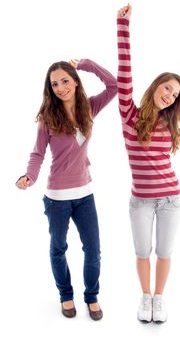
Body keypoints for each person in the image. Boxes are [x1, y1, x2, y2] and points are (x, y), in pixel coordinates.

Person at [117, 4, 180, 323]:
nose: (171, 96)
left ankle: (158, 299)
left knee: (164, 253)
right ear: (156, 86)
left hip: (170, 198)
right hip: (140, 202)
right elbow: (124, 70)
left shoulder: (169, 119)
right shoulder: (129, 114)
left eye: (175, 94)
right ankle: (144, 297)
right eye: (167, 89)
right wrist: (122, 25)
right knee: (142, 252)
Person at [15, 58, 117, 320]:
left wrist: (85, 64)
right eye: (54, 84)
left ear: (75, 80)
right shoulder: (48, 118)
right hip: (57, 198)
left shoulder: (90, 108)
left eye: (65, 80)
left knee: (93, 250)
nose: (60, 87)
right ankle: (66, 295)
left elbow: (114, 85)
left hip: (85, 195)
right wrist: (29, 176)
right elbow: (37, 154)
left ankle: (91, 297)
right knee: (58, 249)